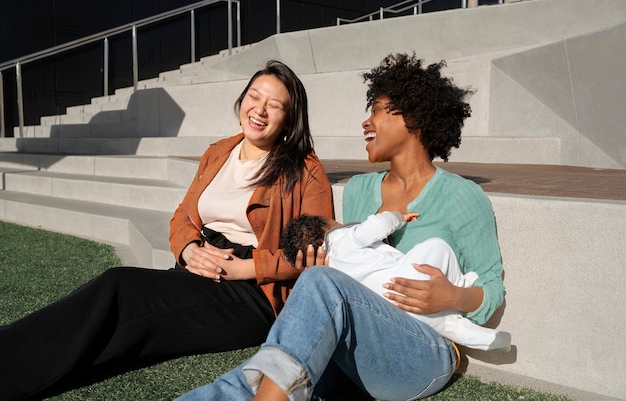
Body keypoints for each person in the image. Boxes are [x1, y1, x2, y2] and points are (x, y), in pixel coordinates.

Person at [177, 53, 506, 401]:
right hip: (359, 338)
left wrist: (452, 296)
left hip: (426, 350)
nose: (366, 122)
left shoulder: (461, 196)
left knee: (311, 304)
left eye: (377, 110)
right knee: (261, 374)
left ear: (414, 117)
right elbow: (346, 271)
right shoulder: (360, 190)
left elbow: (491, 287)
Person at [0, 60, 334, 401]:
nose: (259, 110)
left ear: (290, 119)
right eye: (254, 96)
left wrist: (246, 268)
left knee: (120, 288)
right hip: (199, 265)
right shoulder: (219, 152)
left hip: (253, 291)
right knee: (126, 324)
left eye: (275, 106)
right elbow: (183, 216)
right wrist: (188, 248)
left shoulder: (306, 170)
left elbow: (316, 252)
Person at [280, 211, 511, 352]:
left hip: (393, 313)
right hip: (409, 281)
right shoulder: (341, 238)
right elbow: (377, 226)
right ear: (326, 228)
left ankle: (474, 334)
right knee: (435, 246)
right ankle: (462, 284)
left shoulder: (331, 271)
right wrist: (398, 217)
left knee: (448, 326)